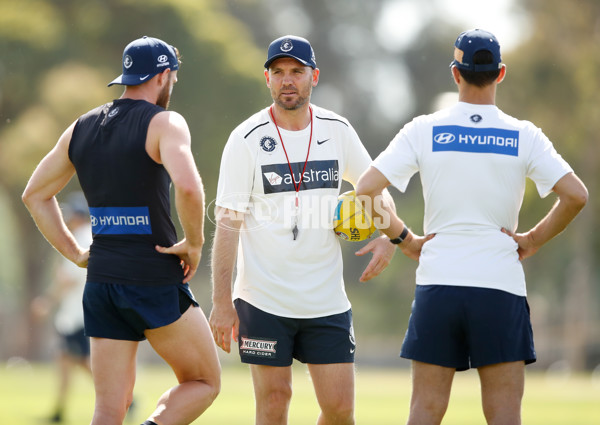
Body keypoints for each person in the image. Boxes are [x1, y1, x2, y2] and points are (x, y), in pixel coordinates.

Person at [355, 29, 588, 425]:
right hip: (499, 287)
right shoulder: (524, 135)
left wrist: (405, 239)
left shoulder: (423, 129)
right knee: (503, 414)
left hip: (438, 284)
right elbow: (576, 195)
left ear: (455, 73)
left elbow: (365, 189)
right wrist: (532, 240)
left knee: (425, 410)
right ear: (500, 74)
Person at [22, 36, 220, 425]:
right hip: (153, 279)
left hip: (101, 285)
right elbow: (189, 187)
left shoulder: (82, 126)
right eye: (173, 80)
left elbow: (35, 195)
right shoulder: (165, 123)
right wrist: (194, 243)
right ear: (164, 76)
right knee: (203, 381)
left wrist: (76, 254)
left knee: (108, 409)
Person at [209, 35, 396, 425]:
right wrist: (222, 302)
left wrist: (388, 236)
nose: (287, 80)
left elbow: (374, 185)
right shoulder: (245, 140)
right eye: (278, 72)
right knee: (275, 403)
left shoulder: (338, 129)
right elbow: (227, 224)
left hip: (325, 300)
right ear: (267, 79)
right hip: (263, 299)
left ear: (314, 76)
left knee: (340, 409)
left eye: (297, 71)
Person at [30, 193, 93, 423]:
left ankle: (125, 397)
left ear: (77, 216)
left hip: (78, 314)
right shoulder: (88, 236)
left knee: (83, 361)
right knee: (65, 358)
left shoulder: (80, 238)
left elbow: (68, 279)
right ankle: (59, 411)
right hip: (79, 312)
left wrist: (47, 301)